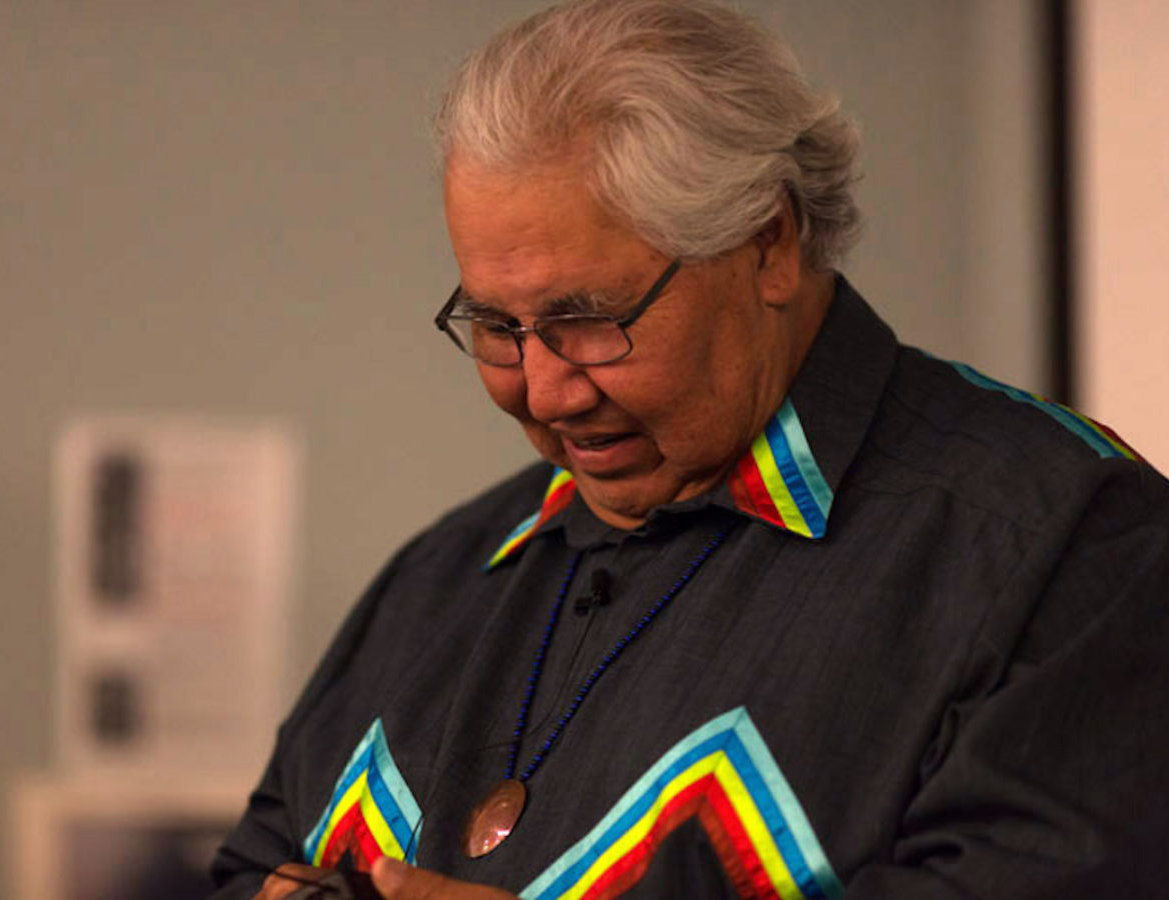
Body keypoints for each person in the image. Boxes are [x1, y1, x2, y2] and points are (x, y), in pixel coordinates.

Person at [210, 1, 1169, 898]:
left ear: (769, 245)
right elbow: (253, 865)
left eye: (589, 319)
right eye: (496, 326)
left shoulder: (1067, 544)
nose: (542, 393)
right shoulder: (438, 579)